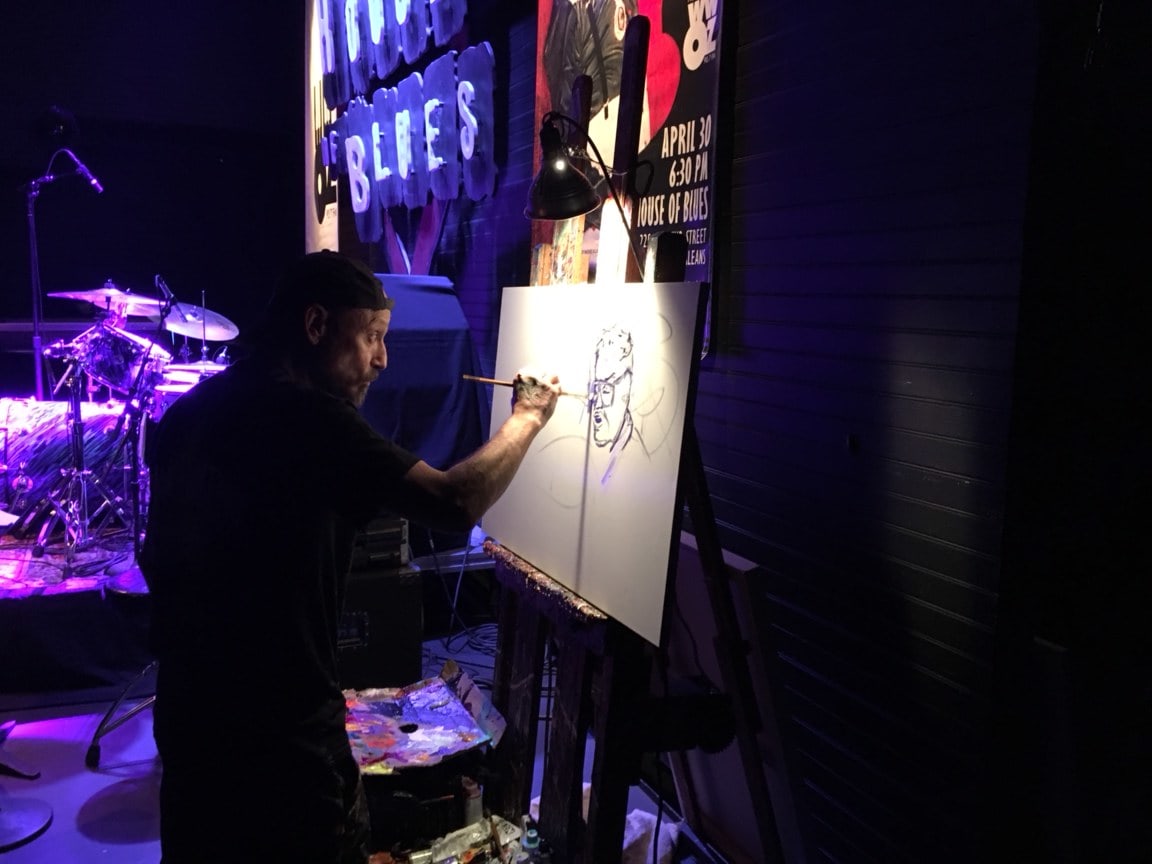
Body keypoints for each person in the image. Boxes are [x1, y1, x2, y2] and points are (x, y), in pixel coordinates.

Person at [138, 250, 560, 864]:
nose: (382, 359)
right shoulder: (311, 419)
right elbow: (455, 500)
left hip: (191, 723)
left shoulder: (189, 412)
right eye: (371, 337)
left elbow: (155, 559)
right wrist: (528, 416)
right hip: (283, 741)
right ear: (315, 326)